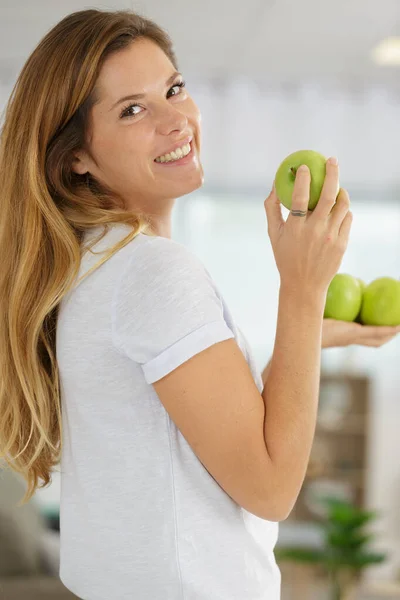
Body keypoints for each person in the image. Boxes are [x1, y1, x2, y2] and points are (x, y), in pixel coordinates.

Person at [0, 8, 398, 600]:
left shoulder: (96, 266)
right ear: (74, 157)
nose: (176, 120)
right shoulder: (152, 272)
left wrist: (307, 331)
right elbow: (269, 487)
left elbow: (215, 433)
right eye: (133, 109)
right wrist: (302, 287)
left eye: (174, 89)